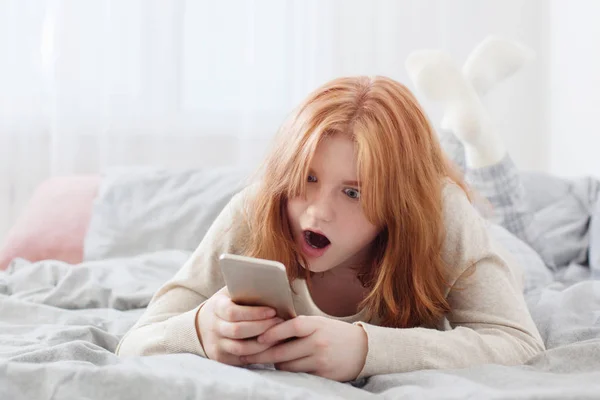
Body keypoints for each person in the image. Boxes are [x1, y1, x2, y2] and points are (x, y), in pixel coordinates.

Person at [116, 73, 545, 382]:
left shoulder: (443, 214)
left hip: (506, 254)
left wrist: (364, 350)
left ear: (398, 204)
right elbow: (136, 342)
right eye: (309, 179)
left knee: (518, 236)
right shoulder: (259, 207)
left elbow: (520, 342)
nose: (317, 214)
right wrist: (199, 332)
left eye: (353, 193)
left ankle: (474, 128)